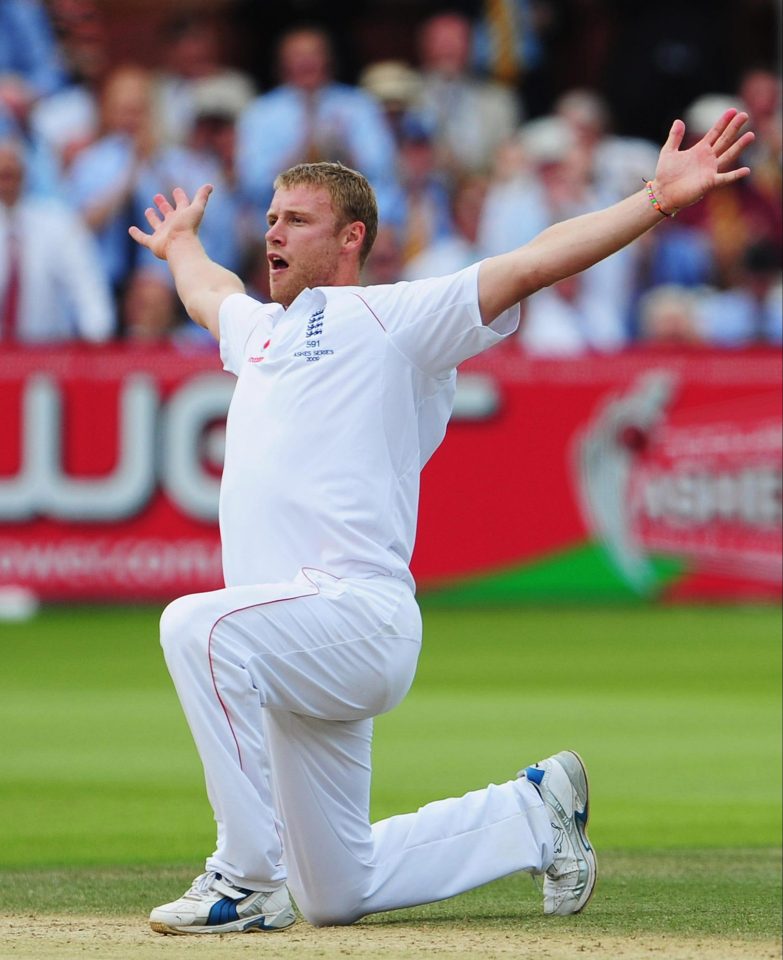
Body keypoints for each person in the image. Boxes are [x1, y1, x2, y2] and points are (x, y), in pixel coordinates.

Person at [128, 107, 753, 934]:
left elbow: (529, 264)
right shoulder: (264, 334)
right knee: (336, 890)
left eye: (297, 221)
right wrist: (179, 245)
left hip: (354, 615)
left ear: (350, 238)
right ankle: (531, 813)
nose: (273, 233)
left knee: (194, 629)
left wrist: (654, 200)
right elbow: (212, 293)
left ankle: (243, 879)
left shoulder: (395, 319)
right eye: (271, 218)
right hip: (295, 641)